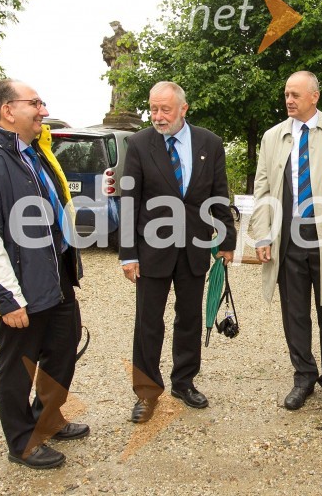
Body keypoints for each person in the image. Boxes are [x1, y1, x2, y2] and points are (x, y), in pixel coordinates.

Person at [0, 79, 88, 469]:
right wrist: (8, 298)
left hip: (57, 274)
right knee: (19, 364)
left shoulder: (35, 152)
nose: (44, 111)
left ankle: (46, 419)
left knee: (64, 348)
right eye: (36, 103)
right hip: (19, 283)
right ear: (8, 110)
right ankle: (22, 442)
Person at [251, 71, 322, 414]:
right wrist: (261, 233)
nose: (289, 100)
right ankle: (303, 376)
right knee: (295, 314)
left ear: (314, 97)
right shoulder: (273, 137)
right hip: (287, 240)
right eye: (286, 94)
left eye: (296, 95)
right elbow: (263, 190)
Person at [119, 81, 236, 423]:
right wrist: (128, 253)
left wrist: (227, 240)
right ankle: (146, 392)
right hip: (151, 249)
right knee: (148, 323)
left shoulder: (209, 143)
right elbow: (129, 202)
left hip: (194, 248)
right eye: (153, 109)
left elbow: (219, 193)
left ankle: (183, 382)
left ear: (183, 109)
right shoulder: (139, 144)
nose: (157, 116)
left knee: (189, 319)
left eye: (164, 109)